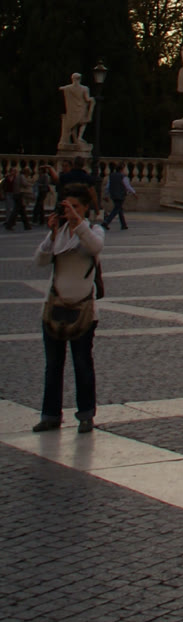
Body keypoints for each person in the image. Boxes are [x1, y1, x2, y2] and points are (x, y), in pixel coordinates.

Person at [32, 185, 105, 433]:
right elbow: (40, 260)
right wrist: (52, 235)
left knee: (82, 364)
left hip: (83, 310)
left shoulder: (93, 230)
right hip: (55, 306)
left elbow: (95, 247)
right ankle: (50, 414)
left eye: (75, 206)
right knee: (53, 365)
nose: (70, 211)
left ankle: (86, 414)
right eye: (67, 206)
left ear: (85, 208)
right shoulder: (60, 233)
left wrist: (78, 223)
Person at [4, 165, 31, 231]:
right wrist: (30, 184)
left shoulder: (17, 176)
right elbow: (24, 184)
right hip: (19, 194)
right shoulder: (21, 176)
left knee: (22, 211)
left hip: (16, 194)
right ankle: (9, 224)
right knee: (16, 211)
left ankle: (27, 225)